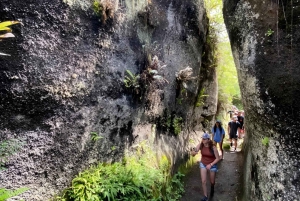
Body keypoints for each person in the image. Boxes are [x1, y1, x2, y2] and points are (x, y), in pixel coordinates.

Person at [191, 133, 221, 201]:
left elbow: (218, 158)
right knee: (203, 181)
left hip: (212, 164)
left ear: (208, 139)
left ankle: (212, 187)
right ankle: (205, 196)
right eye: (202, 138)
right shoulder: (201, 144)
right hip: (203, 164)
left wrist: (211, 164)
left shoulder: (213, 147)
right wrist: (194, 152)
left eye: (204, 139)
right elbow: (193, 152)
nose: (203, 140)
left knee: (212, 181)